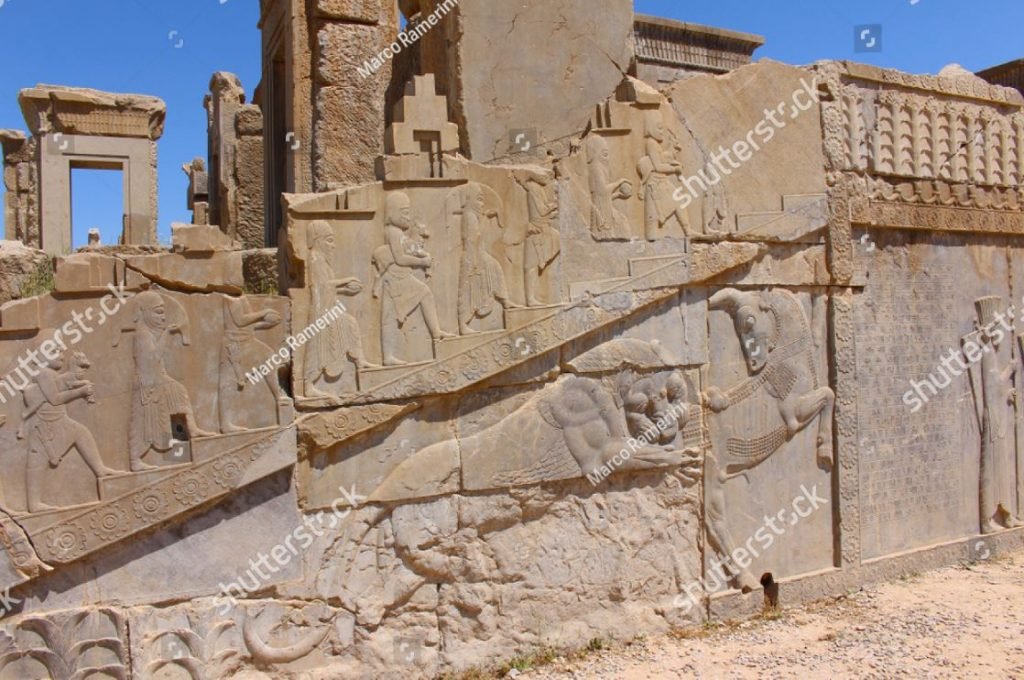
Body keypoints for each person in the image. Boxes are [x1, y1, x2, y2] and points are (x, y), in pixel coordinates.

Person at [20, 346, 117, 512]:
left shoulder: (51, 374)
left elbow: (62, 384)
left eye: (61, 352)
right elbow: (55, 399)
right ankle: (33, 504)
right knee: (38, 460)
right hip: (46, 423)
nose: (62, 356)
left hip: (59, 420)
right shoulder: (44, 373)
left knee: (81, 433)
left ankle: (100, 470)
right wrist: (80, 392)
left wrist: (77, 381)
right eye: (55, 352)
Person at [129, 291, 215, 471]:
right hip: (147, 383)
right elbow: (154, 357)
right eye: (159, 312)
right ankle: (134, 461)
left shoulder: (148, 333)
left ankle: (191, 431)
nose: (163, 317)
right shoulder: (142, 335)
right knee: (139, 420)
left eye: (164, 312)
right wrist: (167, 333)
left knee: (178, 393)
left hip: (156, 379)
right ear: (145, 312)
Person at [372, 193, 453, 365]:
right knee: (422, 295)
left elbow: (409, 246)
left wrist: (422, 252)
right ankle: (435, 333)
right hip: (396, 277)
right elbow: (400, 258)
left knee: (390, 315)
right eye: (404, 213)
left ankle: (389, 356)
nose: (407, 217)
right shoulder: (392, 232)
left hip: (397, 277)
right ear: (392, 213)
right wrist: (422, 261)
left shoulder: (397, 233)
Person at [302, 221, 374, 398]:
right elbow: (321, 287)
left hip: (328, 307)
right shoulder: (315, 258)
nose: (333, 246)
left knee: (350, 323)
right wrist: (345, 281)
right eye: (329, 240)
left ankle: (360, 361)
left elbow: (327, 287)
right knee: (316, 347)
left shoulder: (322, 261)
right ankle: (308, 385)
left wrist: (345, 289)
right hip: (321, 311)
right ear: (318, 240)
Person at [456, 183, 519, 334]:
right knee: (468, 290)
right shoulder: (469, 217)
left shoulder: (473, 216)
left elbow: (478, 235)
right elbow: (475, 238)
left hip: (478, 254)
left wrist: (485, 217)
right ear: (470, 200)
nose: (481, 204)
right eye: (479, 200)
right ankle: (463, 324)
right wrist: (476, 262)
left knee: (495, 268)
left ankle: (505, 301)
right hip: (473, 257)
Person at [639, 111, 690, 240]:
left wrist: (673, 164)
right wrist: (675, 169)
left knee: (678, 200)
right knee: (656, 217)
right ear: (651, 128)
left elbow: (662, 160)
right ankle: (687, 230)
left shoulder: (655, 144)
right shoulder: (651, 144)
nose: (662, 132)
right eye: (659, 128)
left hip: (660, 182)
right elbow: (658, 166)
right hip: (656, 183)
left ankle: (687, 230)